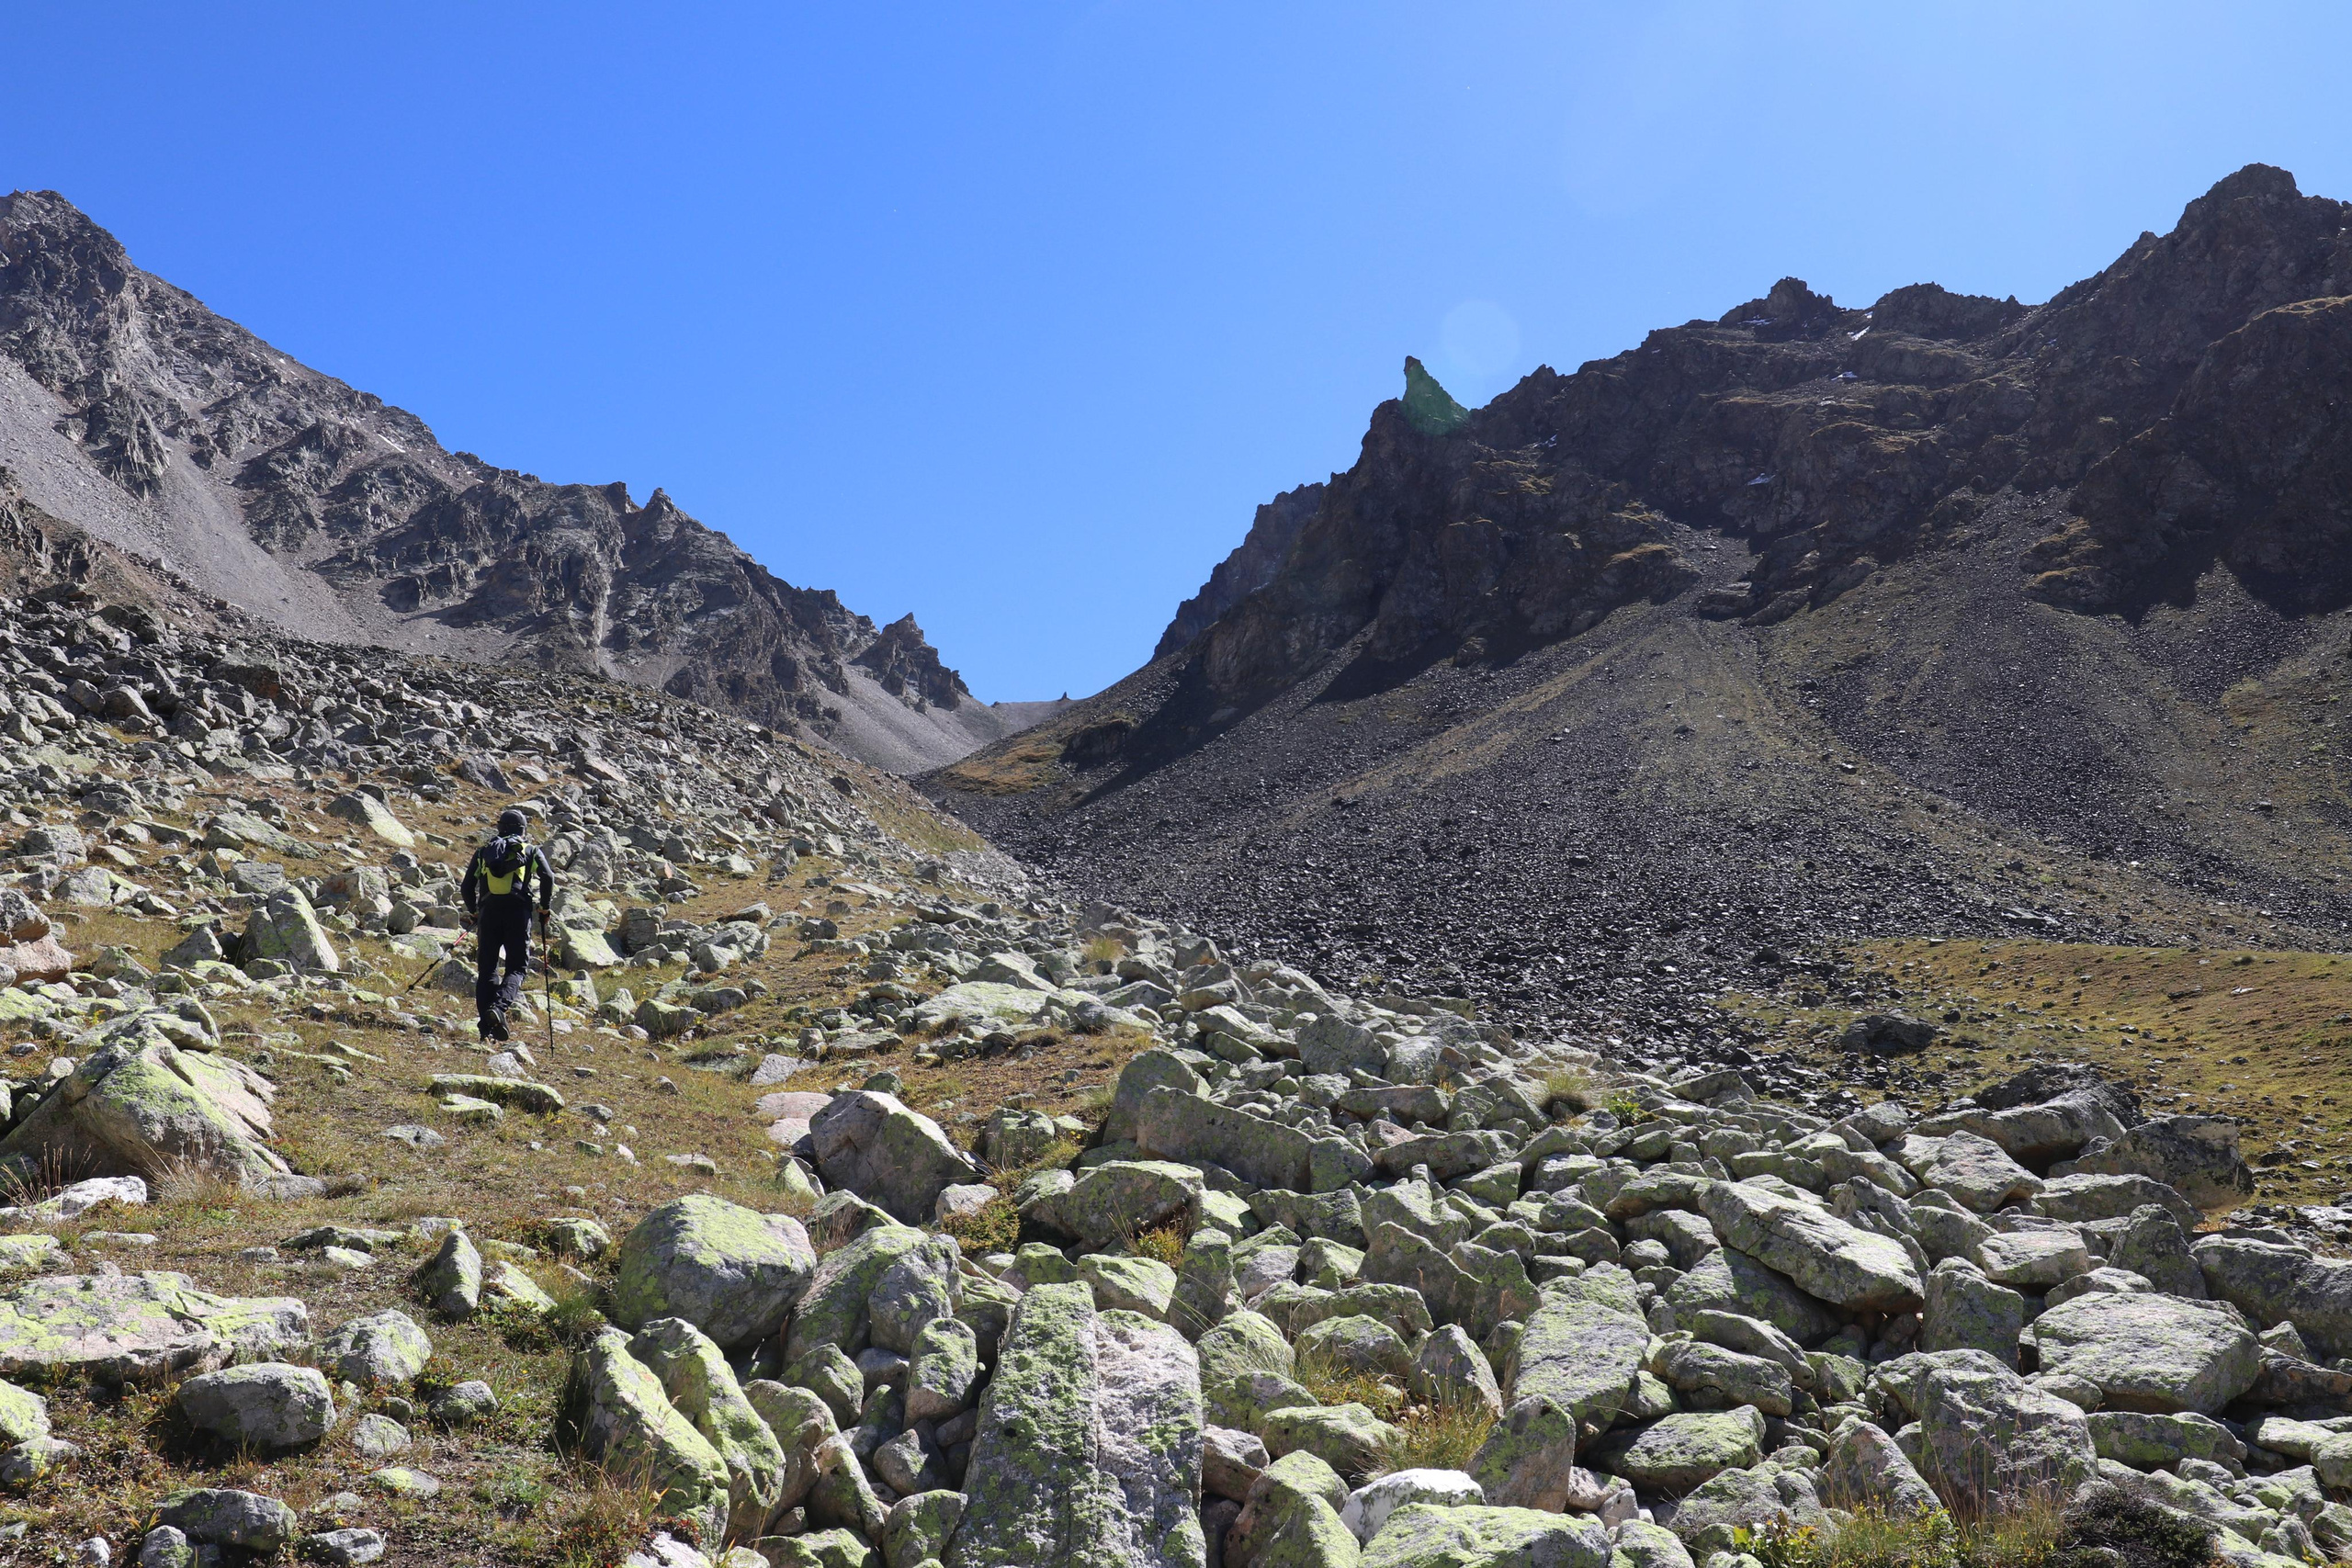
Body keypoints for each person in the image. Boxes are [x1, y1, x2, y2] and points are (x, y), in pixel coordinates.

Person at [460, 807, 553, 1042]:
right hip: (517, 913)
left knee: (487, 970)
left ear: (499, 828)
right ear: (523, 830)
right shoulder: (530, 850)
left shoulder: (484, 852)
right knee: (517, 968)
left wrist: (474, 912)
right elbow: (548, 877)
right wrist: (544, 907)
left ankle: (486, 1031)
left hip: (489, 913)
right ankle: (499, 1009)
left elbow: (466, 886)